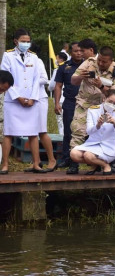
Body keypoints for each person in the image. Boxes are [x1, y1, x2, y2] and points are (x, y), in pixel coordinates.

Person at [70, 45, 115, 174]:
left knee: (106, 133)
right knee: (77, 131)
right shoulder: (89, 63)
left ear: (111, 60)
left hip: (105, 105)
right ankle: (73, 165)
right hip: (85, 103)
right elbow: (73, 80)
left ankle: (106, 161)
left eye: (104, 61)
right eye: (99, 60)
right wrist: (81, 77)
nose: (100, 63)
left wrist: (102, 86)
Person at [0, 28, 46, 174]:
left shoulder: (33, 57)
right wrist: (18, 97)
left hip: (31, 99)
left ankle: (36, 164)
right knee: (9, 132)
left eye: (28, 41)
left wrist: (32, 98)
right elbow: (5, 78)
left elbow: (36, 79)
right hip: (14, 99)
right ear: (16, 41)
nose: (26, 44)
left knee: (33, 133)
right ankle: (5, 164)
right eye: (23, 41)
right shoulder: (7, 55)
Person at [70, 90, 115, 175]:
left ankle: (106, 166)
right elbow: (89, 131)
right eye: (110, 101)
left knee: (88, 155)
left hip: (109, 146)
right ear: (104, 98)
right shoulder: (93, 110)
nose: (112, 105)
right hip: (93, 144)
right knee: (74, 154)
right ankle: (96, 163)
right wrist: (97, 125)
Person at [53, 42, 83, 170]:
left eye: (81, 51)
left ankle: (84, 158)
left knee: (85, 131)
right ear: (71, 52)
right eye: (76, 51)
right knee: (68, 131)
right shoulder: (64, 67)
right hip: (70, 101)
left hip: (85, 103)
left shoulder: (89, 65)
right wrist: (56, 103)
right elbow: (58, 85)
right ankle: (66, 158)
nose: (79, 53)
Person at [28, 43, 57, 172]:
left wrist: (30, 81)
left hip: (39, 99)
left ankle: (52, 160)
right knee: (31, 132)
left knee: (42, 131)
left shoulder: (38, 61)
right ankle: (36, 161)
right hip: (28, 100)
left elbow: (45, 79)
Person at [49, 52, 68, 135]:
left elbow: (52, 85)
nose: (56, 60)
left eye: (57, 58)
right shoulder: (70, 68)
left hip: (59, 98)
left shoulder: (58, 69)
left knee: (60, 122)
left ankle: (62, 139)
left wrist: (49, 88)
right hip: (68, 98)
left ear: (60, 59)